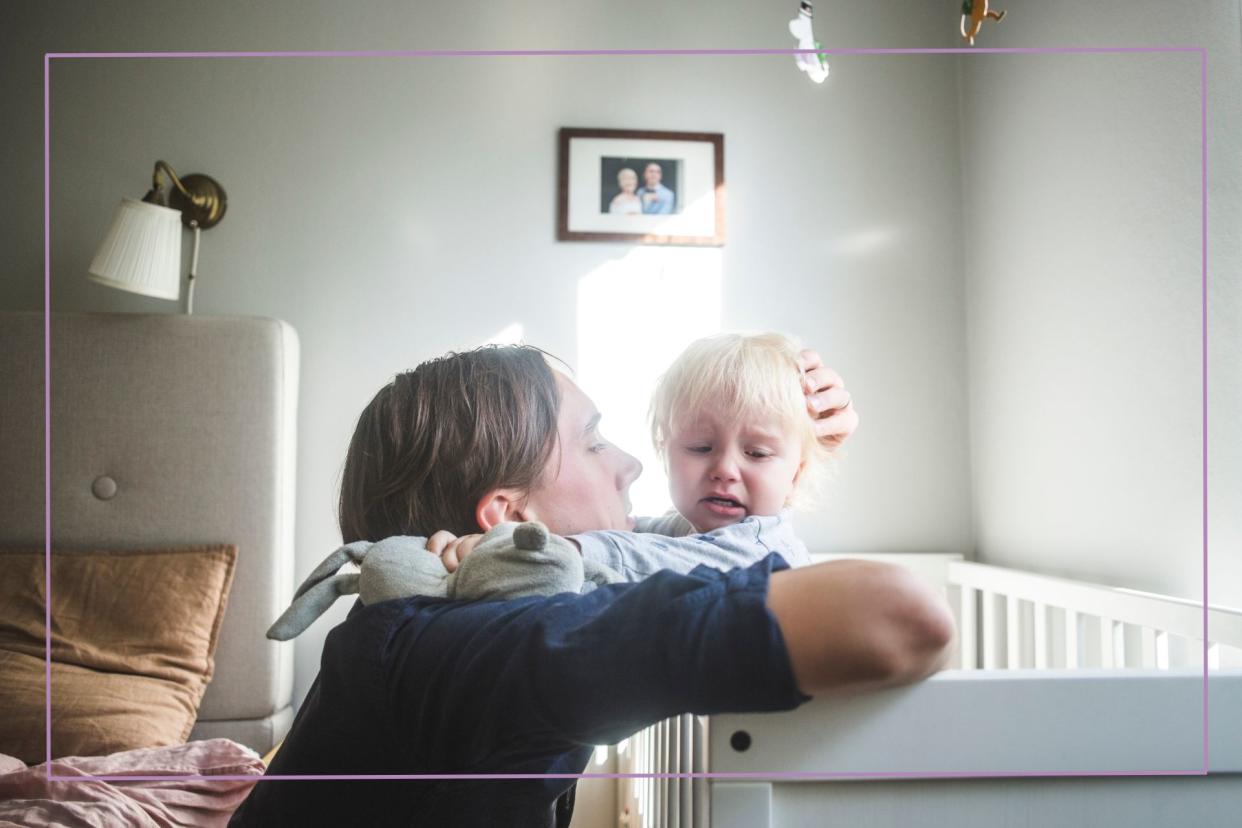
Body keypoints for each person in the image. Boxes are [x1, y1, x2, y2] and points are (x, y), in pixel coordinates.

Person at [230, 345, 951, 828]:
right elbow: (902, 614)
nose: (633, 466)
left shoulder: (413, 629)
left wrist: (798, 449)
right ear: (511, 518)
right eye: (596, 442)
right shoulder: (503, 649)